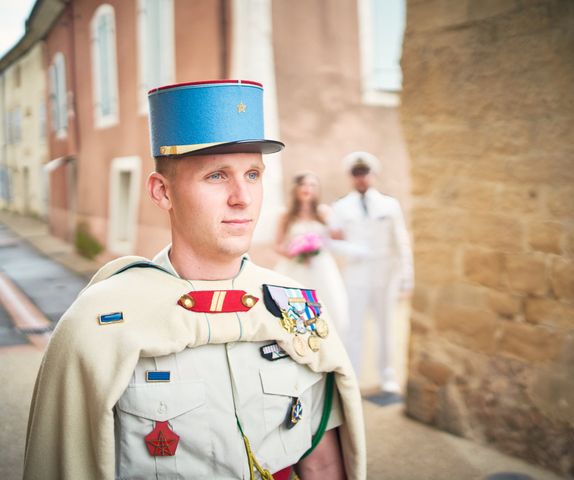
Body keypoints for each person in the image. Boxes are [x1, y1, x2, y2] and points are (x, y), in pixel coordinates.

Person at [24, 80, 366, 479]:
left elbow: (322, 462)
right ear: (162, 192)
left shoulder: (295, 308)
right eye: (217, 176)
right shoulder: (99, 323)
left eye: (253, 174)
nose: (242, 197)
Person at [331, 152, 413, 394]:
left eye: (365, 173)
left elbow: (401, 242)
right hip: (356, 275)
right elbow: (333, 241)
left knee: (386, 327)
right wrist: (353, 250)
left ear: (373, 175)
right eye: (356, 174)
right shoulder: (340, 206)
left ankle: (387, 375)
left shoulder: (389, 204)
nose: (361, 178)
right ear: (350, 177)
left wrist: (407, 277)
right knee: (353, 328)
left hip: (386, 275)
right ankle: (352, 377)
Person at [274, 172, 349, 339]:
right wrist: (294, 253)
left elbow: (337, 237)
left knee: (329, 305)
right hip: (295, 267)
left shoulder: (323, 212)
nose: (308, 189)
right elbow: (277, 245)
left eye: (312, 185)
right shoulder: (286, 215)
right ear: (296, 189)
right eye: (304, 185)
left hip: (321, 267)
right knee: (294, 308)